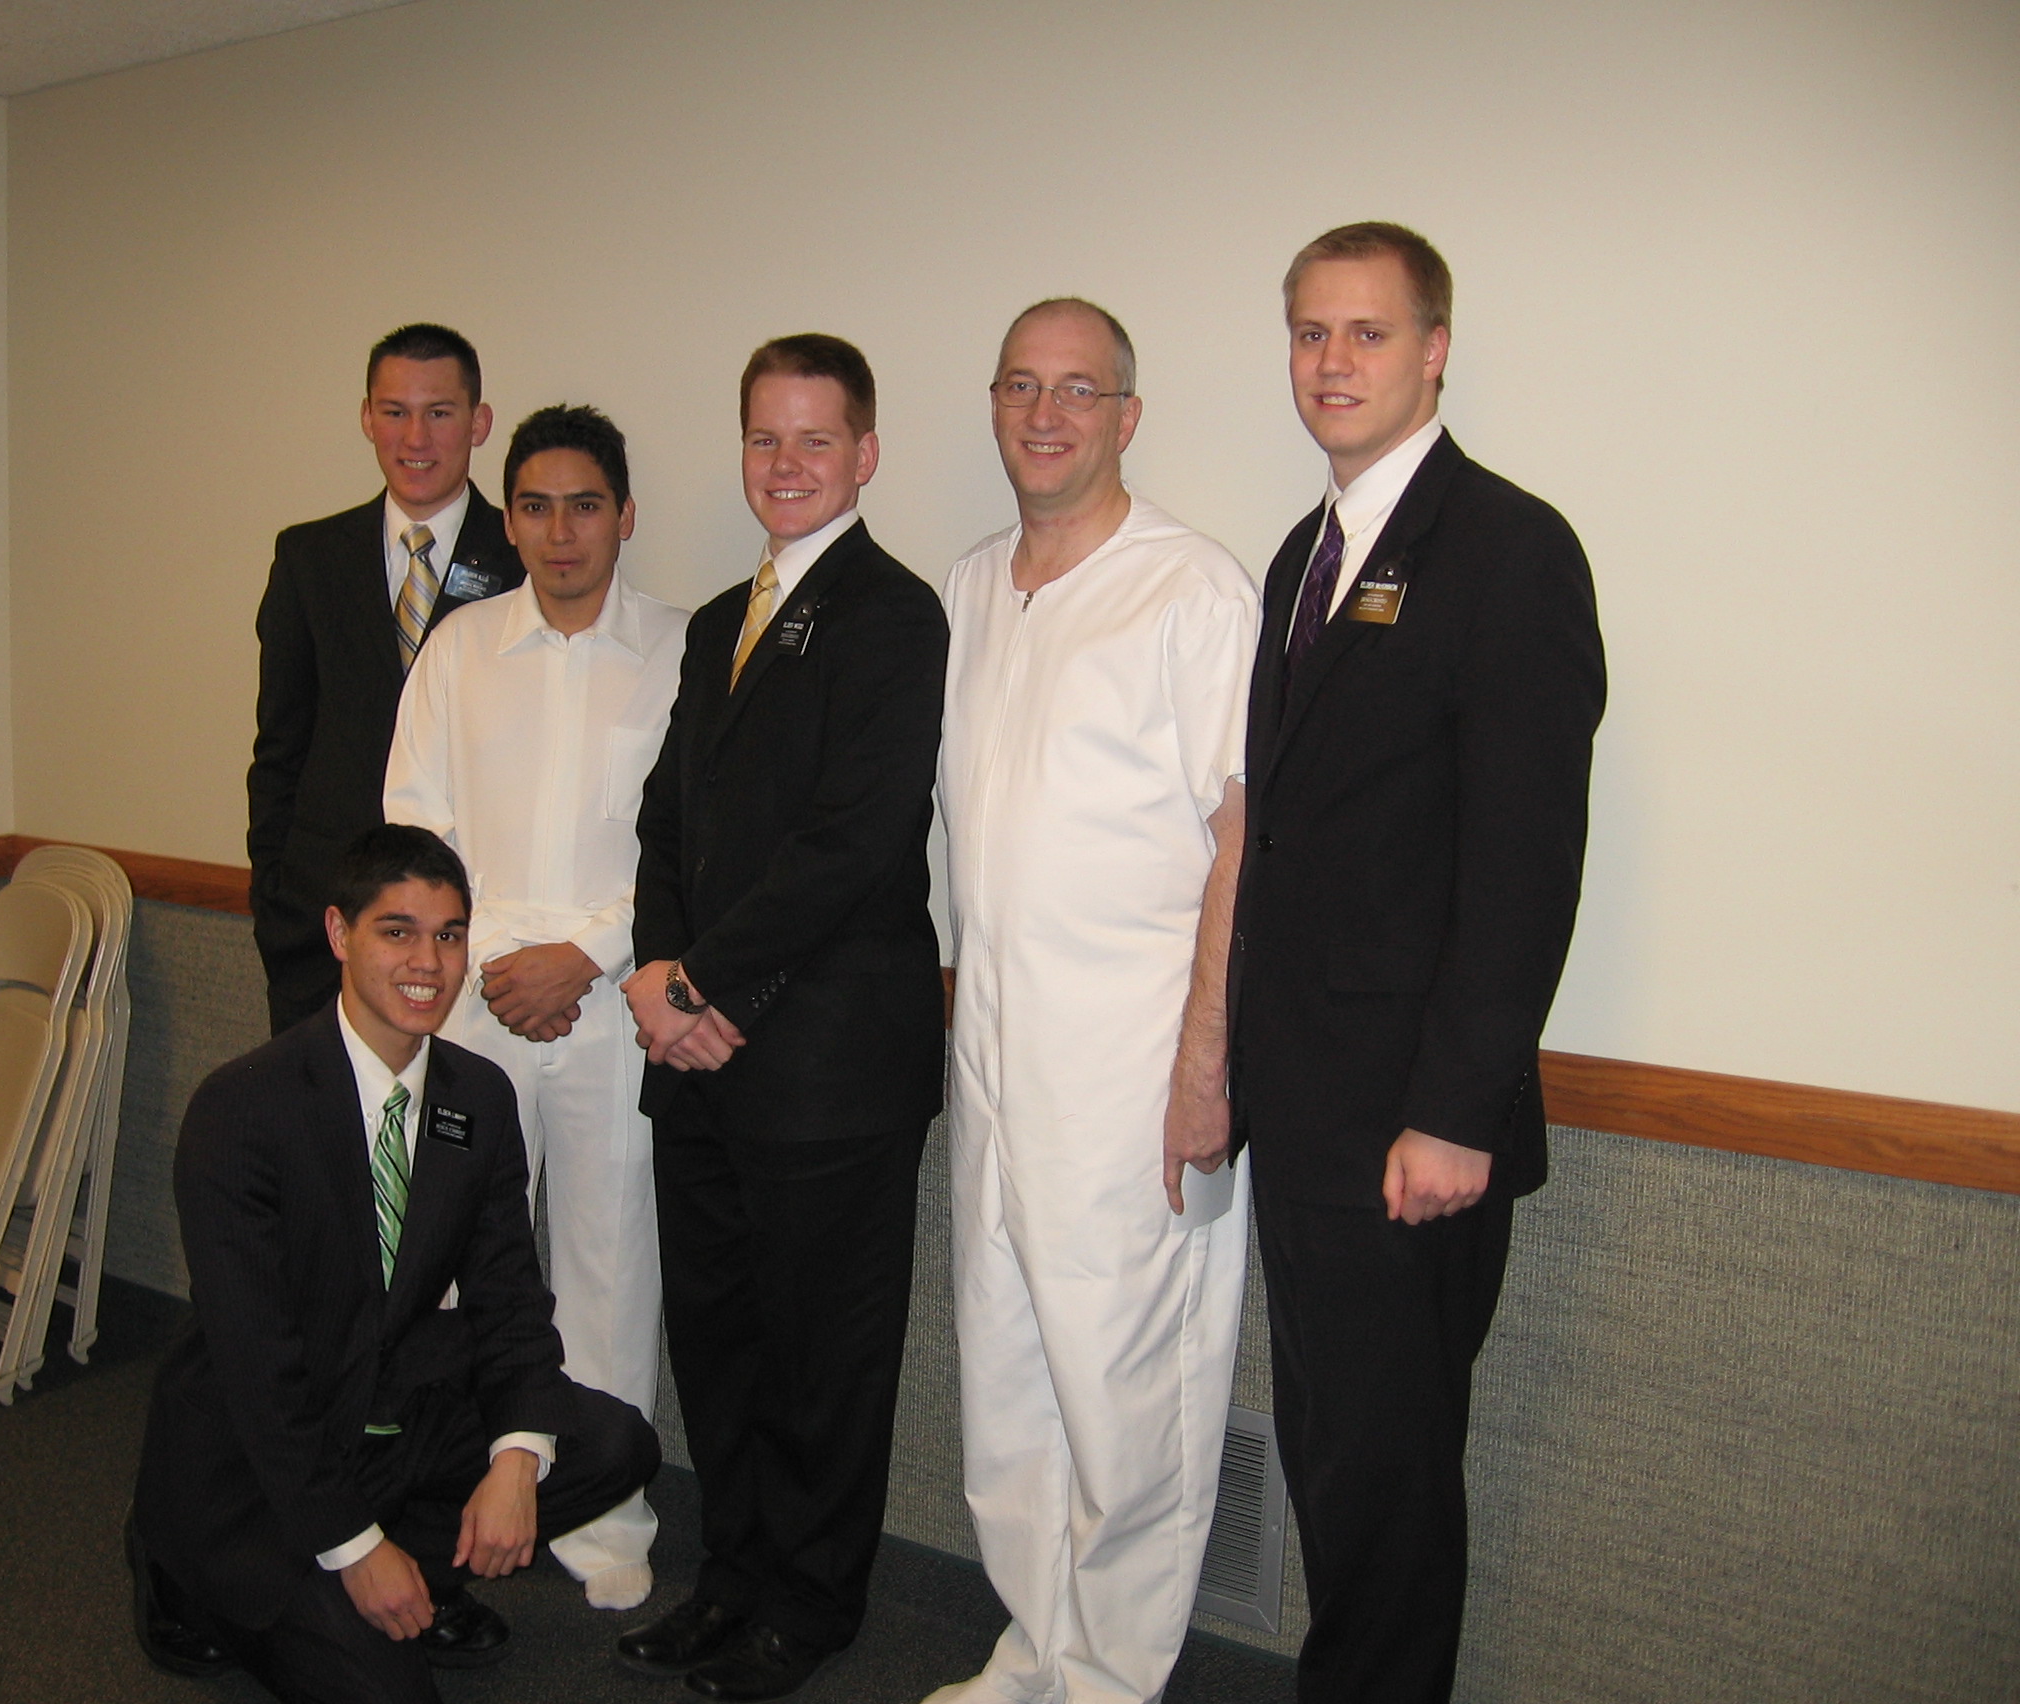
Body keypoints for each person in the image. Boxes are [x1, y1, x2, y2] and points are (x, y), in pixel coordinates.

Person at [1229, 223, 1606, 1703]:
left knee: (1385, 1481)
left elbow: (1525, 866)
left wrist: (1455, 1110)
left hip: (1409, 1132)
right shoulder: (1303, 558)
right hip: (1305, 1113)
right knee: (1334, 1459)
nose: (1332, 362)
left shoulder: (1510, 550)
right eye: (1310, 333)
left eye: (1368, 332)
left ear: (1435, 350)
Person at [925, 300, 1260, 1704]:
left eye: (1078, 389)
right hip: (994, 1058)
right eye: (1021, 385)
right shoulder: (968, 588)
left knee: (1130, 1397)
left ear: (1128, 416)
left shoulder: (1191, 590)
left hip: (1132, 1070)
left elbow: (1244, 840)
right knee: (1008, 1371)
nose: (1045, 413)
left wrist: (1205, 1066)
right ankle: (1034, 1649)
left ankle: (1111, 1678)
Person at [127, 823, 660, 1704]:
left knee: (612, 1444)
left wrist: (516, 1458)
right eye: (397, 931)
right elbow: (260, 1373)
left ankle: (416, 1571)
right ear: (339, 934)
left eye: (449, 934)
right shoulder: (242, 1110)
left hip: (388, 1415)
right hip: (258, 1464)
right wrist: (355, 1548)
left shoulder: (474, 1098)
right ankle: (188, 1576)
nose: (429, 962)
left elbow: (509, 1300)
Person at [616, 335, 949, 1702]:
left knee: (822, 1357)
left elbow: (853, 844)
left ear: (865, 454)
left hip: (825, 1066)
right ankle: (732, 1577)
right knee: (720, 1341)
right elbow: (665, 822)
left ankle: (808, 1607)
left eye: (816, 439)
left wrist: (702, 987)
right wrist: (657, 974)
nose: (788, 463)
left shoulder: (896, 616)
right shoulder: (717, 623)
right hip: (698, 1056)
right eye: (766, 437)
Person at [384, 403, 688, 1612]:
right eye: (535, 507)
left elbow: (690, 845)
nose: (560, 533)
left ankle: (604, 1516)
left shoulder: (679, 649)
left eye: (584, 506)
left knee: (610, 1262)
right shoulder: (459, 650)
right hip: (473, 1005)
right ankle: (464, 1487)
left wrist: (586, 955)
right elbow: (416, 826)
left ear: (625, 516)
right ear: (506, 520)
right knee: (464, 1263)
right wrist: (499, 963)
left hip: (615, 1005)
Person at [248, 324, 524, 1036]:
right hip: (322, 932)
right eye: (395, 412)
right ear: (367, 417)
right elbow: (279, 750)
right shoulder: (309, 559)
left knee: (454, 1110)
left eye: (440, 412)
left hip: (467, 939)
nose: (416, 437)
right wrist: (277, 904)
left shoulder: (525, 559)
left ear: (479, 423)